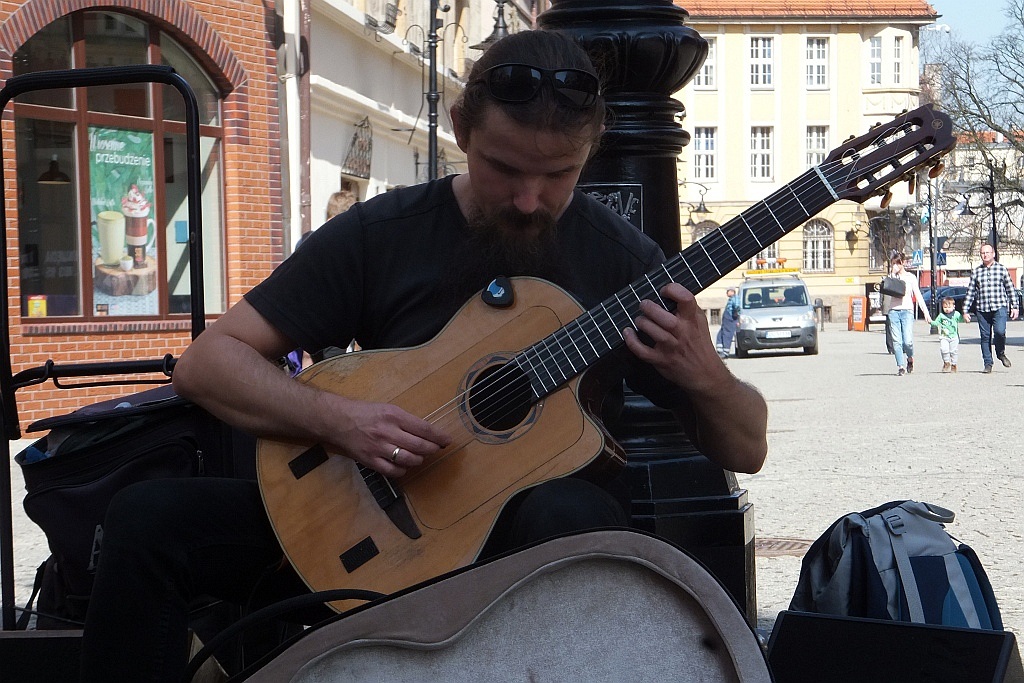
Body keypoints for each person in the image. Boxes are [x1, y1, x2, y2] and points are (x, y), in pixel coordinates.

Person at [80, 30, 768, 681]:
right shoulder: (382, 234)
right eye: (504, 168)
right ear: (462, 127)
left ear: (591, 149)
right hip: (360, 523)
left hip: (520, 564)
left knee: (572, 521)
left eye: (559, 174)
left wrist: (706, 376)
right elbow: (209, 364)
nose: (530, 199)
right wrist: (342, 421)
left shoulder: (624, 265)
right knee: (145, 520)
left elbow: (747, 445)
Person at [962, 243, 1019, 373]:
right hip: (982, 309)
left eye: (987, 252)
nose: (985, 255)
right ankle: (988, 363)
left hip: (999, 307)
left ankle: (1000, 353)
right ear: (980, 255)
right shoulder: (977, 271)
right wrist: (965, 310)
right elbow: (970, 292)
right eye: (983, 253)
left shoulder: (1001, 269)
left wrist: (1015, 306)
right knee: (985, 336)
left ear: (993, 254)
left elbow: (1010, 289)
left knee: (999, 331)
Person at [885, 253, 932, 376]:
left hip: (907, 311)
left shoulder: (910, 277)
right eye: (893, 263)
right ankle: (900, 366)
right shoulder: (891, 276)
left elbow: (918, 295)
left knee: (908, 341)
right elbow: (886, 289)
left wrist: (926, 313)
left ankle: (910, 358)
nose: (895, 266)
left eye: (897, 263)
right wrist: (892, 275)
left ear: (903, 263)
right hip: (893, 311)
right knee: (896, 340)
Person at [929, 296, 964, 373]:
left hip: (954, 336)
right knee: (944, 349)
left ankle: (954, 364)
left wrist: (966, 318)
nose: (947, 309)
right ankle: (946, 362)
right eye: (945, 307)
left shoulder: (956, 314)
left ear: (953, 307)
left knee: (953, 351)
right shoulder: (941, 316)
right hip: (944, 336)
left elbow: (962, 320)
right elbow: (936, 323)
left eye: (949, 307)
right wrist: (930, 321)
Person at [715, 287, 741, 359]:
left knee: (727, 335)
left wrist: (737, 315)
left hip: (730, 319)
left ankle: (725, 352)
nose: (726, 293)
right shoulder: (731, 298)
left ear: (732, 292)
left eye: (728, 291)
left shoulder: (735, 298)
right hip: (727, 319)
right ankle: (719, 349)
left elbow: (737, 307)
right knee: (720, 333)